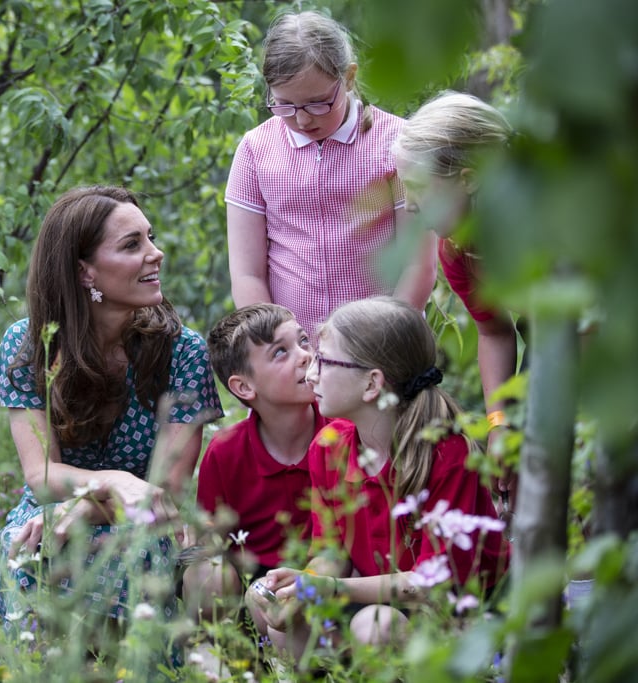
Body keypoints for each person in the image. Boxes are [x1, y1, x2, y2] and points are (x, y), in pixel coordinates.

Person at [0, 186, 223, 637]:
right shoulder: (30, 343)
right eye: (133, 245)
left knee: (130, 557)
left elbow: (164, 491)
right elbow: (41, 475)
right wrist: (114, 481)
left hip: (147, 522)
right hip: (52, 505)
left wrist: (92, 508)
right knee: (20, 548)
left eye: (149, 237)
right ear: (84, 271)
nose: (157, 253)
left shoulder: (183, 351)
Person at [246, 296, 509, 660]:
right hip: (371, 600)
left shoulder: (447, 456)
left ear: (372, 384)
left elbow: (431, 584)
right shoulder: (329, 447)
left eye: (325, 361)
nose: (310, 373)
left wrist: (333, 587)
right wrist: (303, 582)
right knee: (271, 608)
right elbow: (330, 551)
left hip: (459, 615)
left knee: (375, 627)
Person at [225, 10, 436, 338]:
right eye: (284, 106)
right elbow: (247, 274)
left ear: (349, 77)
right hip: (296, 359)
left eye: (318, 103)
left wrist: (380, 346)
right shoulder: (255, 151)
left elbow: (418, 266)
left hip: (388, 345)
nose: (303, 120)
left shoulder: (399, 146)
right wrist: (280, 347)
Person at [391, 91, 518, 504]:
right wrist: (501, 423)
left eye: (419, 188)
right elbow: (495, 331)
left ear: (468, 178)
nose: (409, 206)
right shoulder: (458, 250)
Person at [182, 303, 328, 637]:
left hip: (329, 572)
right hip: (252, 580)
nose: (305, 355)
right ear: (244, 388)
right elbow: (211, 539)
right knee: (207, 574)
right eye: (281, 352)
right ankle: (215, 649)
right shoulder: (224, 452)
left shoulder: (341, 431)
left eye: (304, 342)